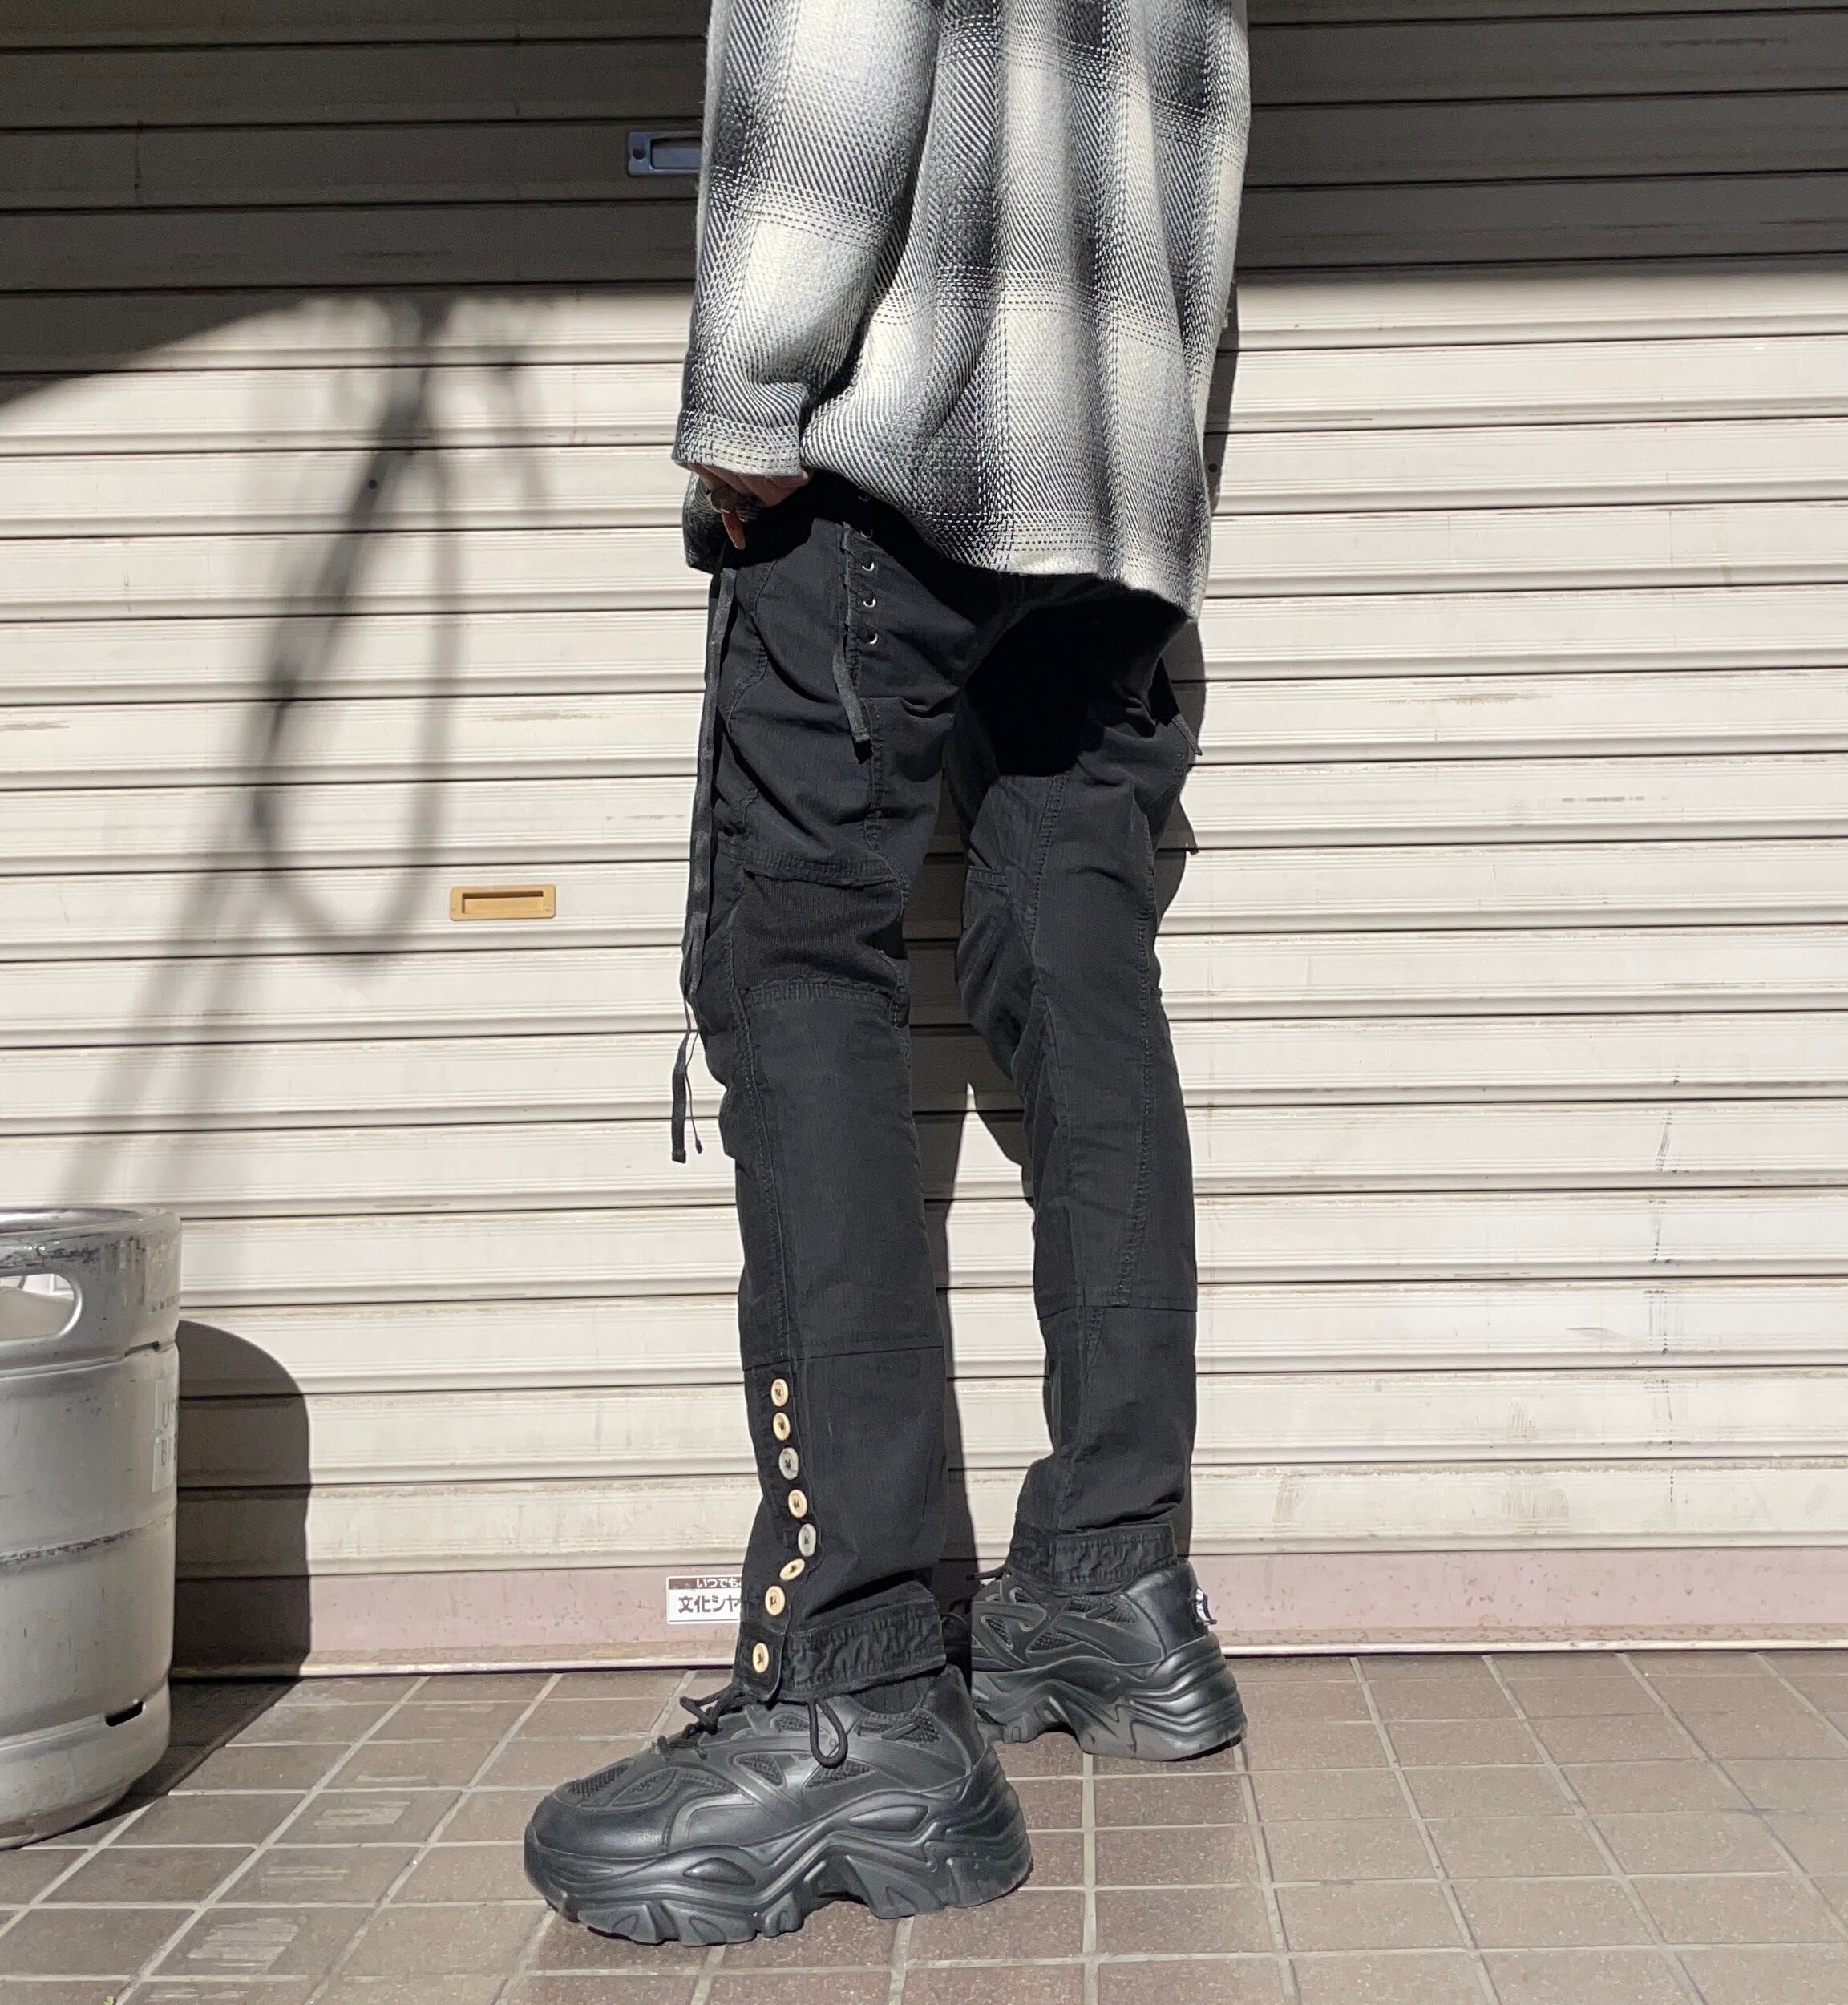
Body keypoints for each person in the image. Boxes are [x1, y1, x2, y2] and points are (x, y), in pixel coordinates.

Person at [524, 0, 1252, 1946]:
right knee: (1084, 988)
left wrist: (748, 401)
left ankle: (856, 1685)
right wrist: (1154, 477)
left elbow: (828, 54)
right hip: (1116, 497)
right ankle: (1113, 1584)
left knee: (798, 963)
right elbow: (1199, 147)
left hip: (898, 456)